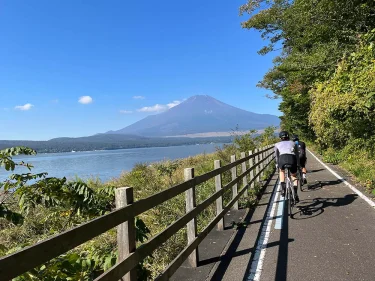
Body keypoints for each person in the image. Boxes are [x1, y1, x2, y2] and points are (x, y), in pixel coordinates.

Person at [274, 131, 299, 202]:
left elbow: (276, 156)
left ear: (280, 138)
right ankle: (295, 193)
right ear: (288, 137)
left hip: (282, 159)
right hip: (292, 159)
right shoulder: (293, 143)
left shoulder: (277, 144)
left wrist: (277, 164)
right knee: (294, 175)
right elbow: (297, 155)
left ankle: (283, 188)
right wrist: (298, 164)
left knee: (281, 171)